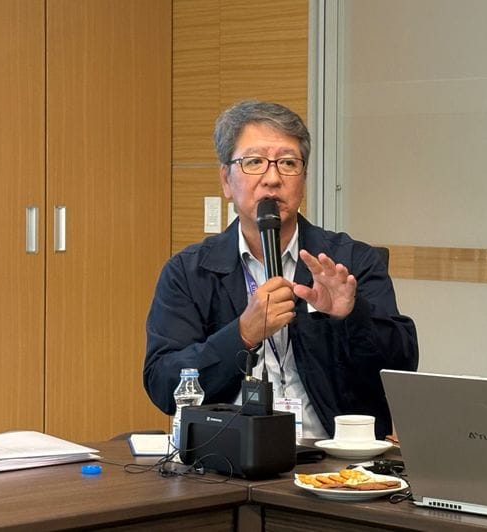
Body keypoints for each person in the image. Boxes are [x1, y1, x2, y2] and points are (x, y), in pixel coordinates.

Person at [144, 100, 419, 440]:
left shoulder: (350, 262)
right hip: (226, 456)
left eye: (288, 163)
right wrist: (241, 335)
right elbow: (163, 384)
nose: (272, 179)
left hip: (334, 459)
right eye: (254, 162)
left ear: (304, 179)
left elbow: (402, 369)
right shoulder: (189, 272)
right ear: (226, 180)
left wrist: (352, 316)